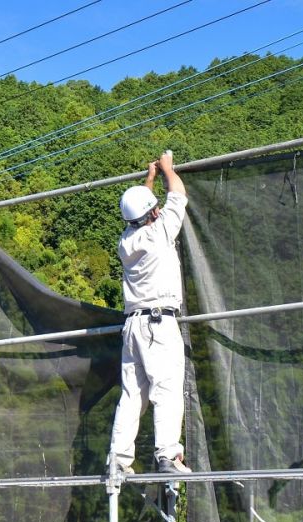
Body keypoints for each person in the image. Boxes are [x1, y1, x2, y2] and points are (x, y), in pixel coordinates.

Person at [110, 150, 192, 475]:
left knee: (132, 396)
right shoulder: (160, 233)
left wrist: (149, 180)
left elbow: (143, 211)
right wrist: (168, 170)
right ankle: (168, 455)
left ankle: (117, 461)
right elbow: (178, 197)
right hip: (160, 324)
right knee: (167, 388)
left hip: (132, 328)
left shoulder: (125, 242)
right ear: (153, 213)